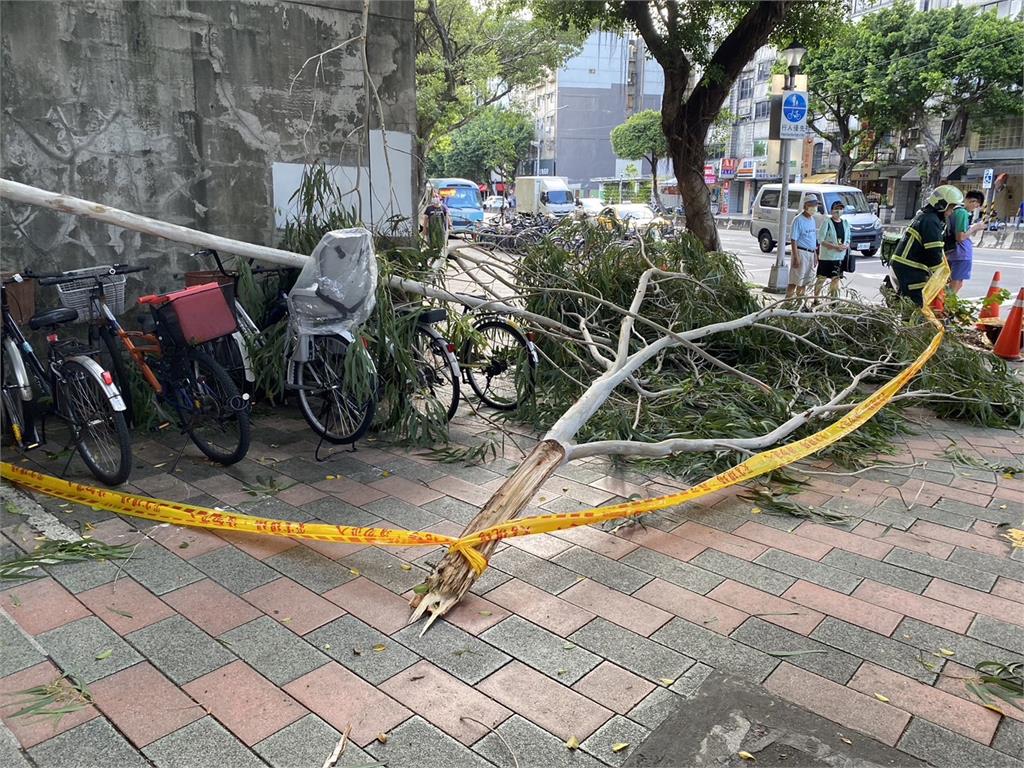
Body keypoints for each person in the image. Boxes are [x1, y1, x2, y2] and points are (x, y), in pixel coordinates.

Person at [888, 185, 963, 307]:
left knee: (908, 305)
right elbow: (933, 253)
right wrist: (941, 277)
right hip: (910, 270)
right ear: (942, 204)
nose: (952, 211)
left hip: (904, 267)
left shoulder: (925, 216)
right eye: (951, 207)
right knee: (917, 307)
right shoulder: (931, 221)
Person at [945, 190, 985, 294]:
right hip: (961, 253)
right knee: (956, 283)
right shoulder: (962, 213)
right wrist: (975, 227)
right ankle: (946, 306)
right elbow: (961, 237)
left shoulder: (953, 210)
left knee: (947, 282)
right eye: (974, 202)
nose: (974, 205)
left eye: (977, 204)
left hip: (950, 251)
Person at [815, 199, 850, 298]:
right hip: (827, 257)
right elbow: (821, 239)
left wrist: (845, 246)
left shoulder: (845, 223)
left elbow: (848, 238)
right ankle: (815, 299)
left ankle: (833, 300)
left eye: (841, 208)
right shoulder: (827, 222)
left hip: (839, 257)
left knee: (836, 279)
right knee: (821, 279)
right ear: (832, 210)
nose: (839, 211)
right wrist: (835, 246)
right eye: (836, 209)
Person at [787, 196, 820, 299]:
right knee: (795, 280)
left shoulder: (812, 220)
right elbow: (793, 239)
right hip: (801, 252)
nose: (814, 208)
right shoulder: (798, 220)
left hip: (810, 252)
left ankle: (799, 301)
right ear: (806, 206)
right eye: (812, 205)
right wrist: (796, 257)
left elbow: (813, 238)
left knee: (805, 281)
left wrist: (815, 254)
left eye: (815, 205)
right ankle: (788, 301)